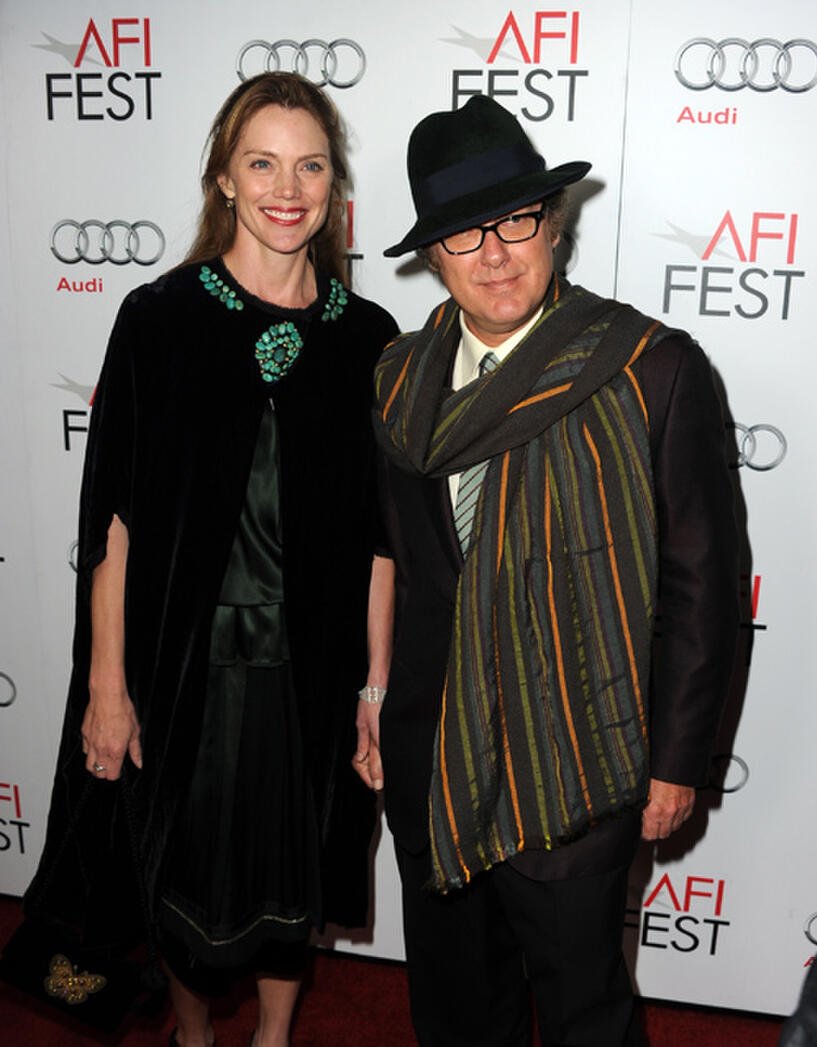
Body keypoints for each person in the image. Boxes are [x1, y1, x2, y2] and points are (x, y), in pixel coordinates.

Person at [354, 94, 739, 1047]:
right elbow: (397, 560)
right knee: (455, 1010)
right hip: (435, 756)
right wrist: (372, 693)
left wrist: (676, 762)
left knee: (583, 1017)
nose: (494, 252)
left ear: (553, 225)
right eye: (461, 233)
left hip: (578, 756)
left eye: (515, 220)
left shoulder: (649, 367)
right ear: (432, 256)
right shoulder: (399, 381)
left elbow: (704, 585)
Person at [27, 73, 397, 1047]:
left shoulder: (367, 339)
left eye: (309, 164)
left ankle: (272, 1039)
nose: (288, 186)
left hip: (306, 679)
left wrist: (375, 685)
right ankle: (192, 1037)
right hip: (183, 667)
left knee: (292, 874)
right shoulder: (162, 319)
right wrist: (107, 689)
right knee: (178, 875)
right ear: (224, 181)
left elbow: (379, 537)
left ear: (333, 185)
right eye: (262, 162)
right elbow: (113, 522)